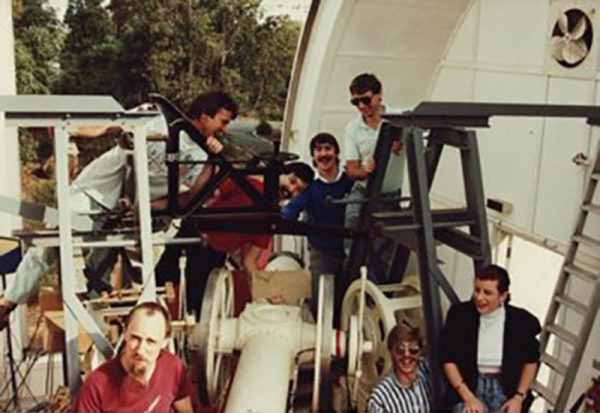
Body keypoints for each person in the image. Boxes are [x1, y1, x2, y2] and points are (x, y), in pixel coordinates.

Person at [0, 91, 237, 330]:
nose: (224, 129)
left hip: (133, 214)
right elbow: (110, 125)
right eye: (223, 121)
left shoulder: (200, 155)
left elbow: (189, 197)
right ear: (205, 116)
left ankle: (112, 332)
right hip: (97, 191)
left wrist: (210, 159)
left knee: (118, 277)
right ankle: (8, 302)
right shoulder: (156, 116)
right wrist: (73, 129)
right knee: (50, 242)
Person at [157, 161, 314, 316]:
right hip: (191, 235)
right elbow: (205, 192)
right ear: (280, 174)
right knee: (159, 283)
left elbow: (249, 261)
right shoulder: (245, 183)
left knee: (198, 308)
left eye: (298, 190)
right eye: (292, 181)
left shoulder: (270, 218)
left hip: (213, 256)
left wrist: (267, 291)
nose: (291, 189)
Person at [440, 264, 541, 413]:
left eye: (487, 293)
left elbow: (531, 360)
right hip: (470, 386)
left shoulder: (521, 321)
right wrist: (468, 397)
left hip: (505, 387)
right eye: (477, 290)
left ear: (503, 295)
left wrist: (519, 397)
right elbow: (447, 358)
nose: (479, 297)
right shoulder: (459, 315)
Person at [282, 133, 353, 321]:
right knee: (321, 304)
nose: (323, 154)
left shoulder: (351, 182)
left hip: (354, 251)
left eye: (328, 148)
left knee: (352, 301)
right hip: (323, 253)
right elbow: (290, 211)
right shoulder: (310, 190)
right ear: (313, 157)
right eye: (318, 150)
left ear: (337, 152)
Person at [73, 301, 193, 412]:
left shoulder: (173, 369)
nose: (140, 350)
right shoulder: (96, 385)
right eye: (135, 338)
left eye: (150, 341)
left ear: (164, 342)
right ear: (125, 334)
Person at [343, 73, 405, 282]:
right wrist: (365, 170)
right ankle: (352, 288)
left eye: (366, 100)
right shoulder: (353, 128)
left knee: (382, 255)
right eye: (356, 102)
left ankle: (374, 297)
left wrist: (403, 143)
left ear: (379, 96)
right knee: (352, 244)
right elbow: (352, 170)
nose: (361, 106)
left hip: (390, 197)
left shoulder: (399, 119)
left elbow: (420, 148)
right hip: (363, 193)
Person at [367, 323, 433, 413]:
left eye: (413, 350)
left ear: (420, 352)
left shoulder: (430, 377)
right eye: (400, 350)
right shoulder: (379, 399)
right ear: (390, 352)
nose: (406, 355)